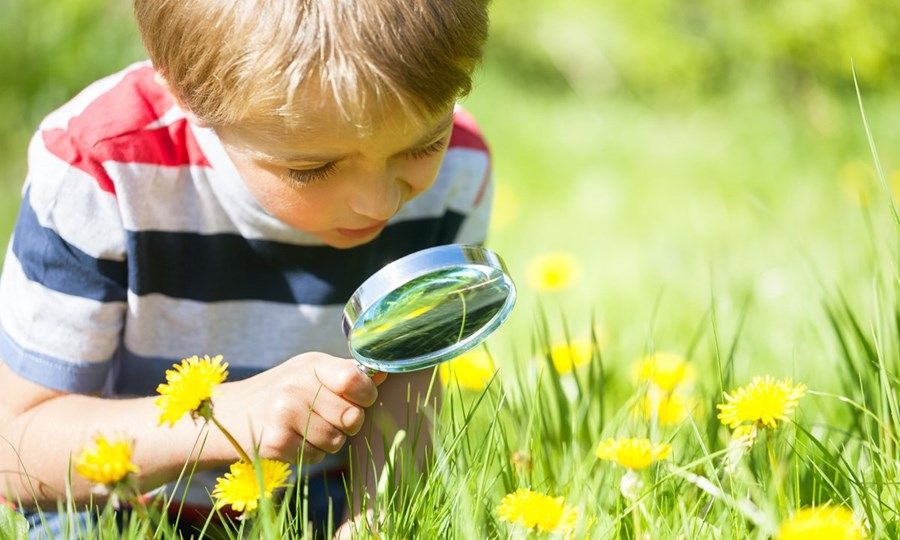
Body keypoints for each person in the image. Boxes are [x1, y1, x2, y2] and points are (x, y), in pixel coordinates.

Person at [0, 0, 492, 537]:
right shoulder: (103, 169)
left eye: (424, 144)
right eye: (312, 168)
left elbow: (408, 379)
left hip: (313, 502)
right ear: (185, 94)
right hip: (116, 505)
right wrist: (229, 420)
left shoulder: (459, 171)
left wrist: (376, 517)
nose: (379, 203)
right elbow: (16, 445)